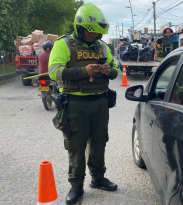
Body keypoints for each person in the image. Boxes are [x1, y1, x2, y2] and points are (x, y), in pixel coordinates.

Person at [48, 3, 119, 205]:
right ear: (80, 27)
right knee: (77, 146)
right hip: (76, 103)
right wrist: (83, 72)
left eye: (97, 32)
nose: (94, 35)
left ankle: (98, 178)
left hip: (100, 103)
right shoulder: (64, 44)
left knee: (99, 142)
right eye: (90, 31)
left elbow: (115, 70)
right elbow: (54, 71)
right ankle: (76, 185)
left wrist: (109, 71)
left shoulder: (103, 46)